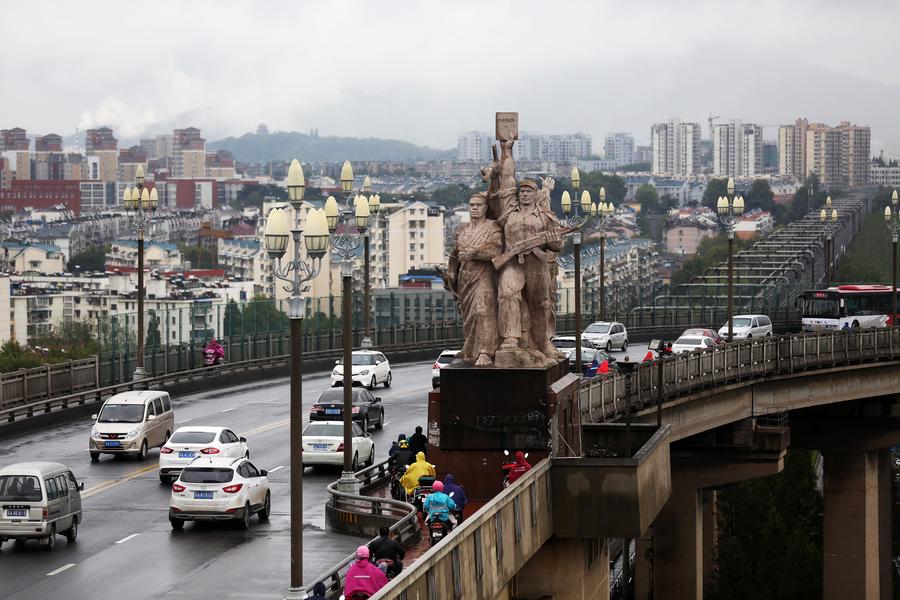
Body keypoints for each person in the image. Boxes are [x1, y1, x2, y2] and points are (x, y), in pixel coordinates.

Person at [446, 192, 503, 366]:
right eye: (472, 205)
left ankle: (486, 351)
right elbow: (455, 255)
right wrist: (451, 271)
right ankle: (470, 348)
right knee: (469, 316)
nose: (474, 208)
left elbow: (496, 249)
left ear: (485, 208)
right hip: (465, 279)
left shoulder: (493, 227)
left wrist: (475, 253)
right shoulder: (462, 230)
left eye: (478, 205)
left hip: (484, 276)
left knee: (483, 310)